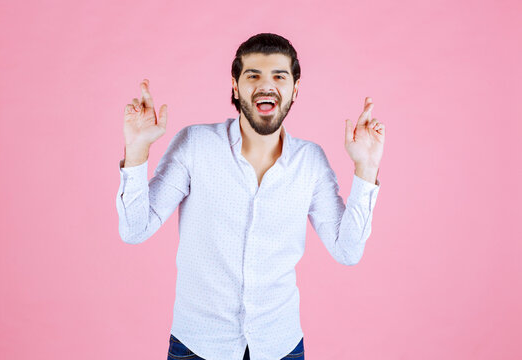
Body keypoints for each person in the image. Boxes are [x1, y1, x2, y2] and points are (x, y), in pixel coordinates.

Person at [116, 33, 384, 360]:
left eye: (279, 76)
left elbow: (347, 250)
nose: (266, 84)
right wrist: (138, 148)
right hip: (197, 346)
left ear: (295, 89)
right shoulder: (195, 145)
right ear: (235, 86)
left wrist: (366, 167)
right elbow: (134, 229)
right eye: (253, 75)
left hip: (280, 346)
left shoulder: (310, 161)